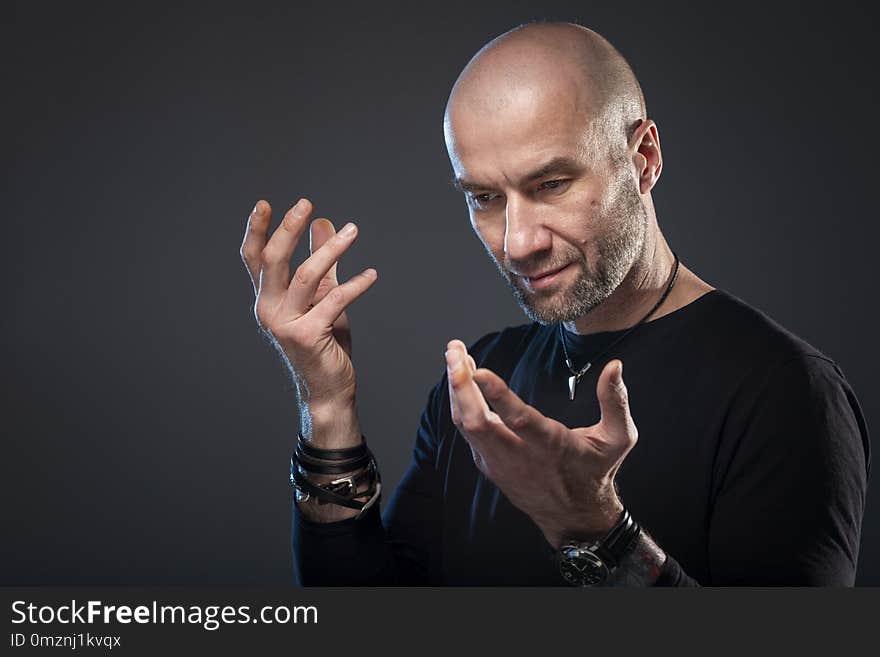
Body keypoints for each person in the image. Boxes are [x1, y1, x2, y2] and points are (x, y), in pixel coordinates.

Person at [239, 22, 870, 585]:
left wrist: (596, 530)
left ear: (643, 159)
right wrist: (326, 405)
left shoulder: (786, 391)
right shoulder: (482, 378)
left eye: (552, 184)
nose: (517, 242)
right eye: (485, 197)